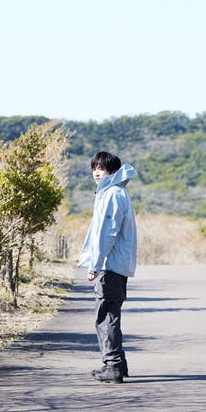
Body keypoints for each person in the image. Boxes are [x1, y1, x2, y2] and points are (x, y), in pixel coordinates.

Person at [77, 151, 138, 384]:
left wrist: (95, 264)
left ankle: (112, 366)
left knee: (106, 315)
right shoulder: (116, 192)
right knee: (111, 313)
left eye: (100, 169)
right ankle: (118, 365)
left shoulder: (112, 194)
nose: (95, 172)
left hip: (110, 265)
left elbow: (107, 234)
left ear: (112, 171)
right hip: (116, 264)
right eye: (94, 168)